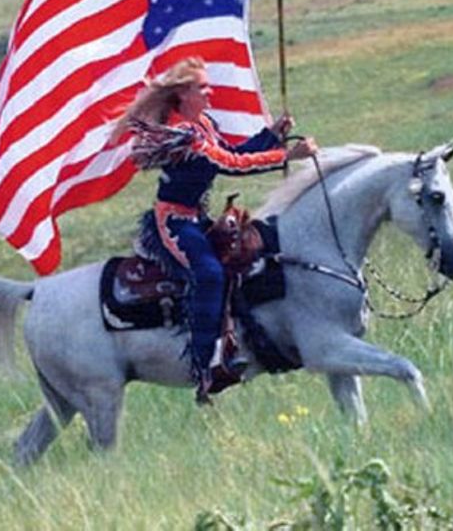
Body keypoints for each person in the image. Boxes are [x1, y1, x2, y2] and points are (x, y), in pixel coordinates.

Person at [118, 57, 317, 403]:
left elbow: (232, 152)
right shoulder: (184, 135)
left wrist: (271, 136)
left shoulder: (204, 125)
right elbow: (232, 165)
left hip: (198, 217)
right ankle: (204, 364)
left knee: (250, 250)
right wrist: (286, 155)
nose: (210, 94)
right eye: (203, 88)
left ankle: (245, 337)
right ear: (183, 94)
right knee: (208, 273)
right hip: (175, 222)